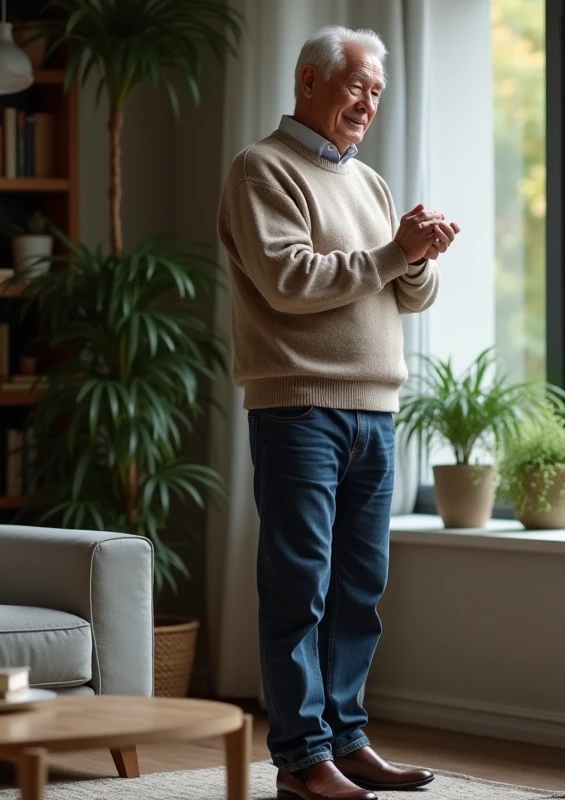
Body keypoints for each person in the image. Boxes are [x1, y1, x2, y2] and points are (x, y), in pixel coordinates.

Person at [217, 24, 459, 800]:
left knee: (360, 589)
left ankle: (347, 740)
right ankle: (301, 759)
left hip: (373, 413)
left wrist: (418, 253)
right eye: (357, 85)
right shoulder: (261, 169)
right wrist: (395, 254)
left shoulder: (371, 182)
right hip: (297, 411)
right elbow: (291, 280)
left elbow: (403, 295)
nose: (368, 102)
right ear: (308, 81)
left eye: (378, 91)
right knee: (299, 590)